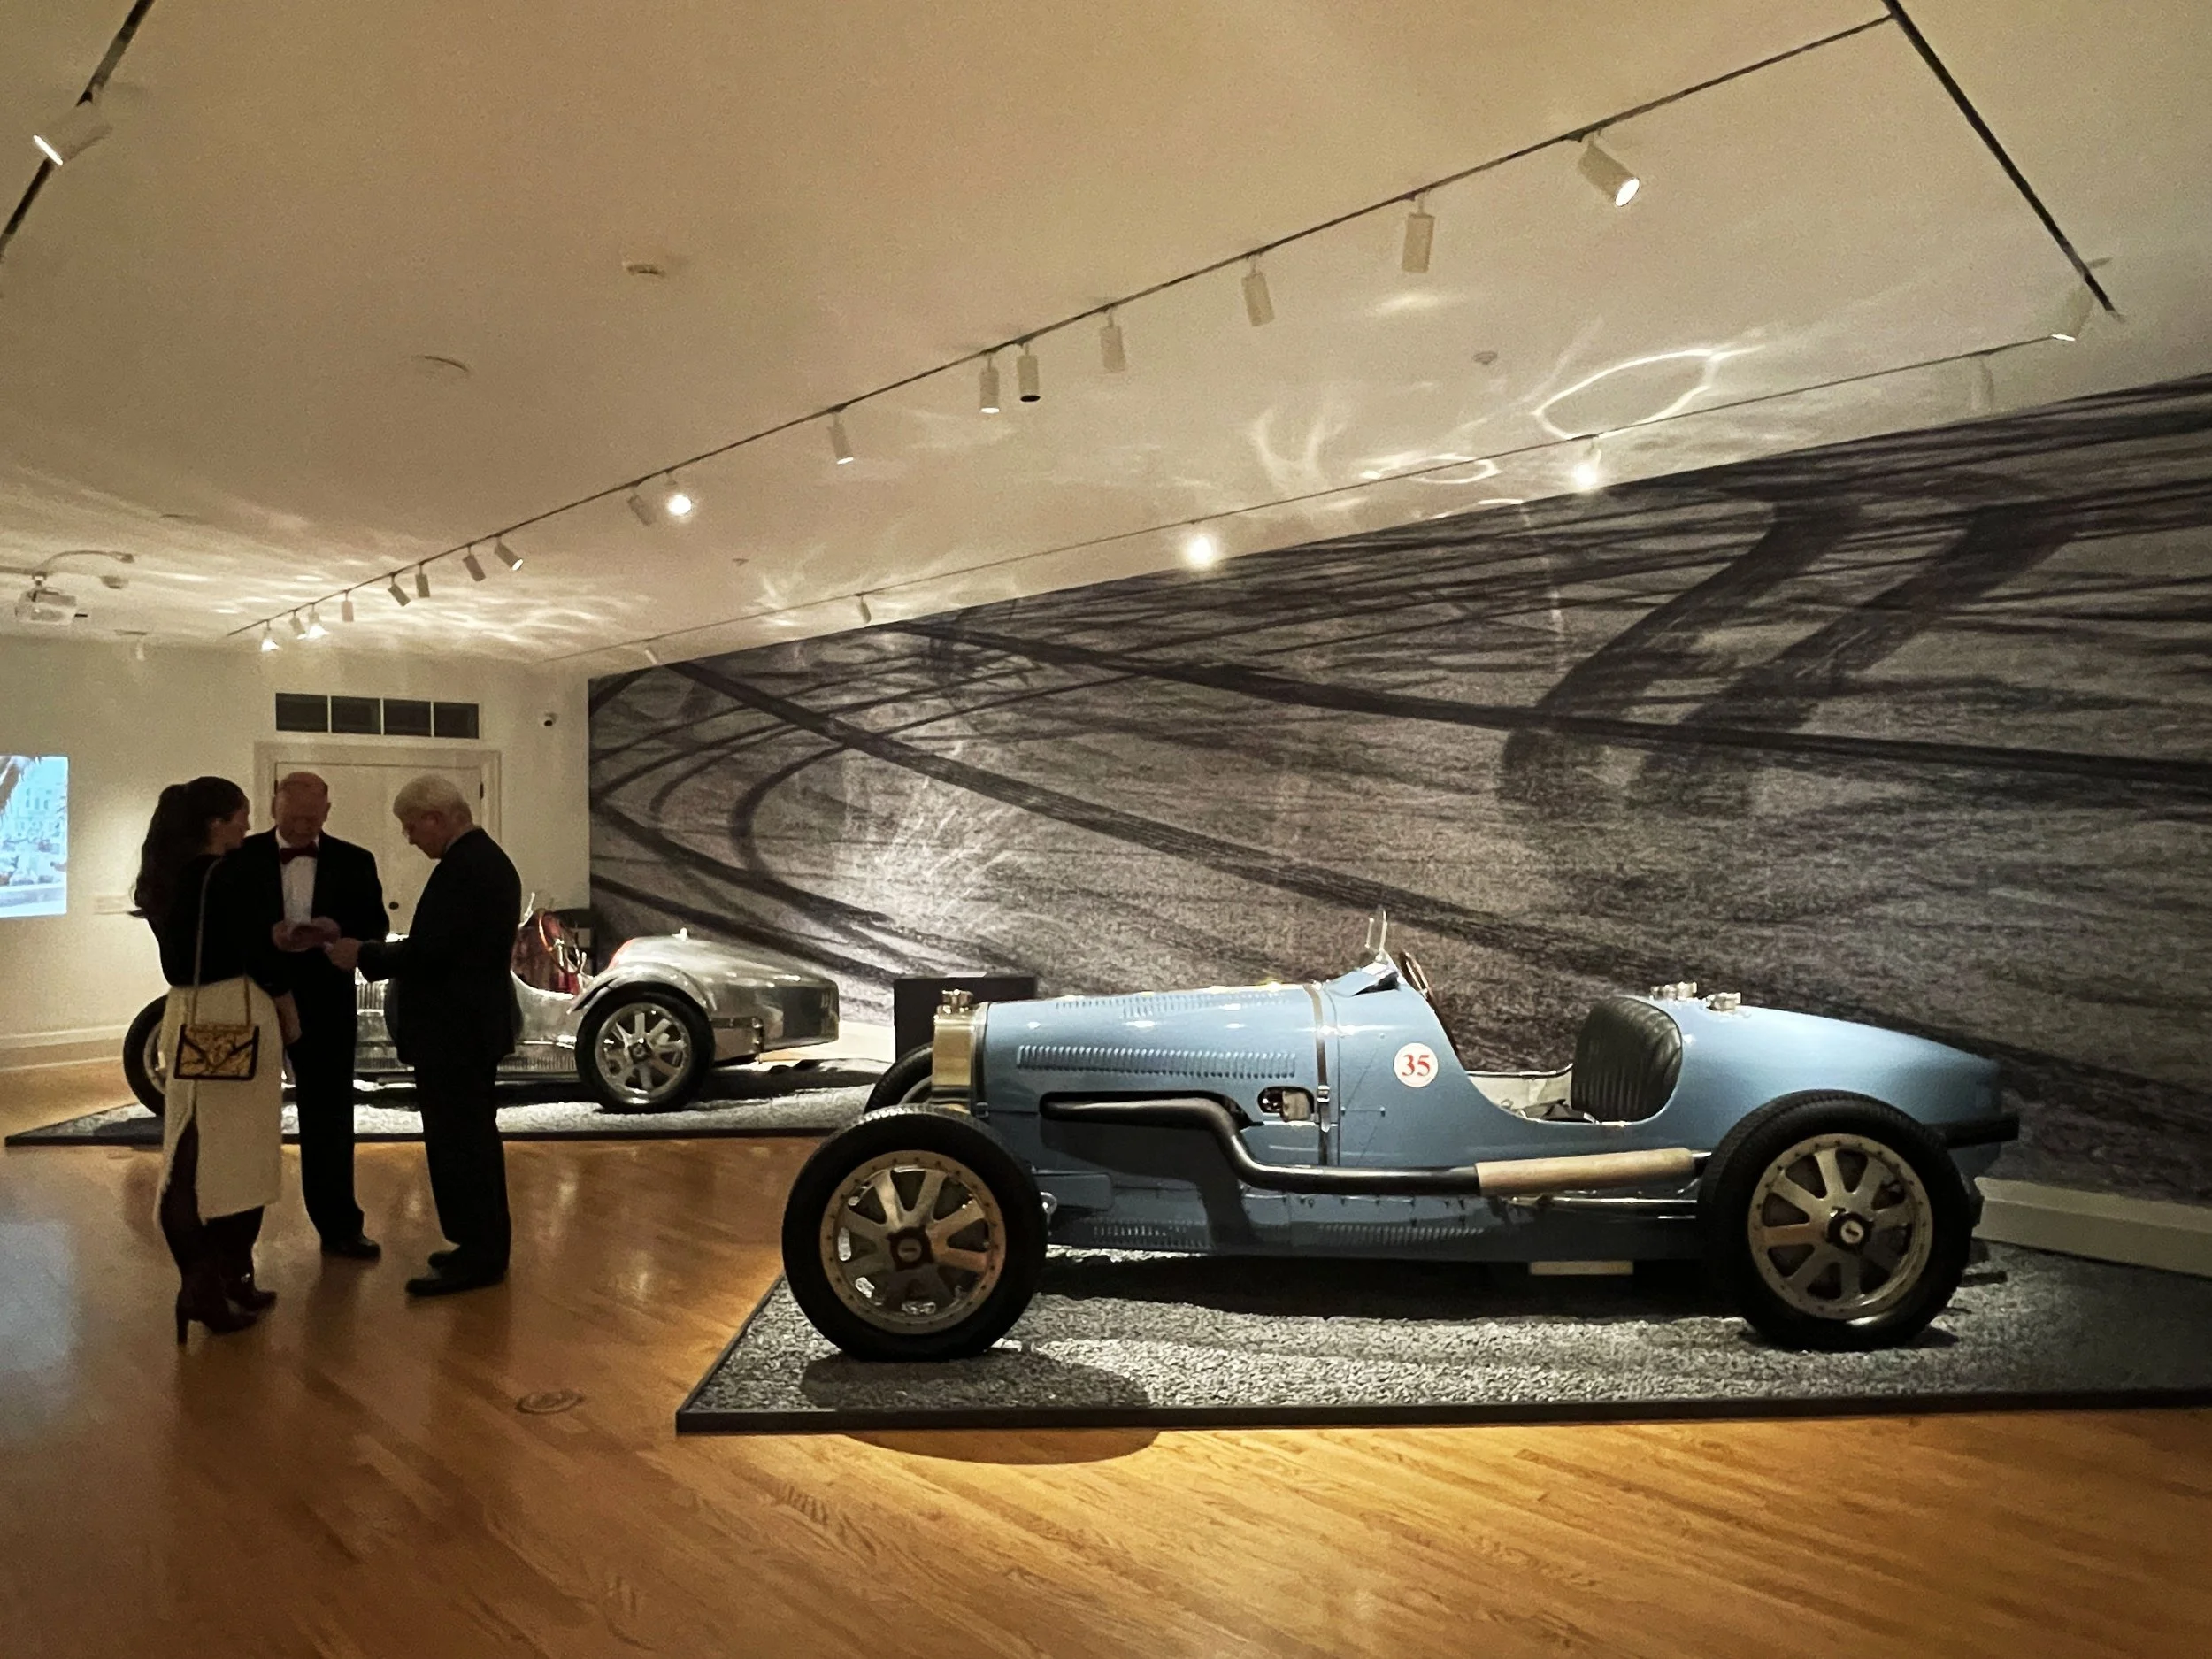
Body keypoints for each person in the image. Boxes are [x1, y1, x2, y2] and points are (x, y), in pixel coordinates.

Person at [134, 776, 319, 1340]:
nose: (248, 824)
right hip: (236, 1011)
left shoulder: (165, 877)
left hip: (185, 1011)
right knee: (241, 1153)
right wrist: (288, 1010)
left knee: (188, 1147)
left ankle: (207, 1281)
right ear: (217, 823)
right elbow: (256, 953)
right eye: (241, 816)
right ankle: (215, 1281)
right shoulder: (230, 873)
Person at [328, 775, 520, 1296]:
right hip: (465, 1028)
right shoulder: (480, 862)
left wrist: (363, 954)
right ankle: (477, 1244)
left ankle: (479, 1254)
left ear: (435, 818)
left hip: (455, 1031)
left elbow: (435, 952)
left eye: (411, 826)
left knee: (462, 1143)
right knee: (467, 1140)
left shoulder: (468, 868)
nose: (410, 838)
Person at [234, 772, 386, 1260]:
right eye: (295, 817)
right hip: (252, 994)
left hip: (326, 998)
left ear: (327, 812)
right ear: (273, 807)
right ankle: (236, 1240)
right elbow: (223, 928)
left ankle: (340, 1227)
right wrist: (268, 937)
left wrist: (336, 928)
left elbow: (376, 926)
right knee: (246, 1117)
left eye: (313, 818)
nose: (304, 826)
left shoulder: (355, 860)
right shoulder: (238, 858)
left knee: (331, 1117)